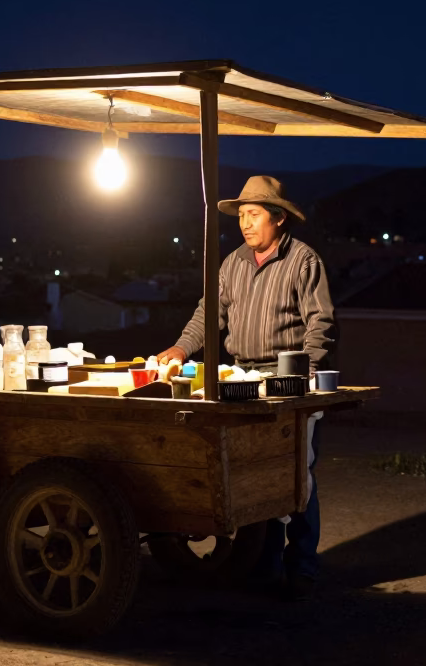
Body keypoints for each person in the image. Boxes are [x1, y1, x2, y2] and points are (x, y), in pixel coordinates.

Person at [157, 175, 335, 600]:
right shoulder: (233, 262)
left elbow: (321, 324)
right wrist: (182, 348)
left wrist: (304, 372)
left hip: (289, 380)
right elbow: (208, 315)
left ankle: (303, 567)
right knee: (254, 473)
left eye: (253, 215)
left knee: (295, 475)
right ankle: (264, 565)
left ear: (278, 218)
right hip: (242, 378)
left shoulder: (303, 261)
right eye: (241, 216)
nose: (245, 224)